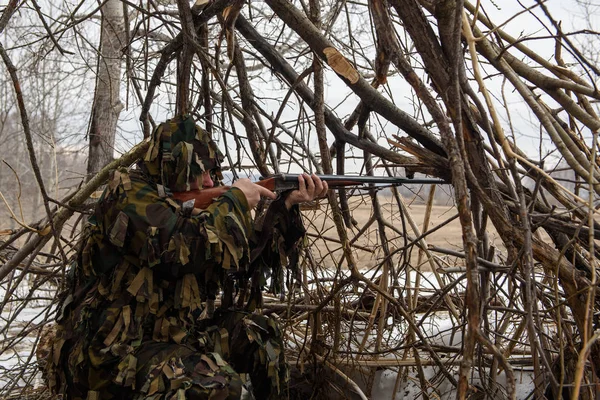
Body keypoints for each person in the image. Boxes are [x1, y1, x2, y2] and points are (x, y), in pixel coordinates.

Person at [44, 115, 327, 400]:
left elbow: (239, 265)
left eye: (211, 170)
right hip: (109, 359)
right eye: (197, 171)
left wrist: (286, 206)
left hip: (170, 337)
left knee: (259, 335)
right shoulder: (128, 195)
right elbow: (182, 249)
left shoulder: (190, 208)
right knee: (221, 388)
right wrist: (236, 202)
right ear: (172, 168)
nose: (207, 180)